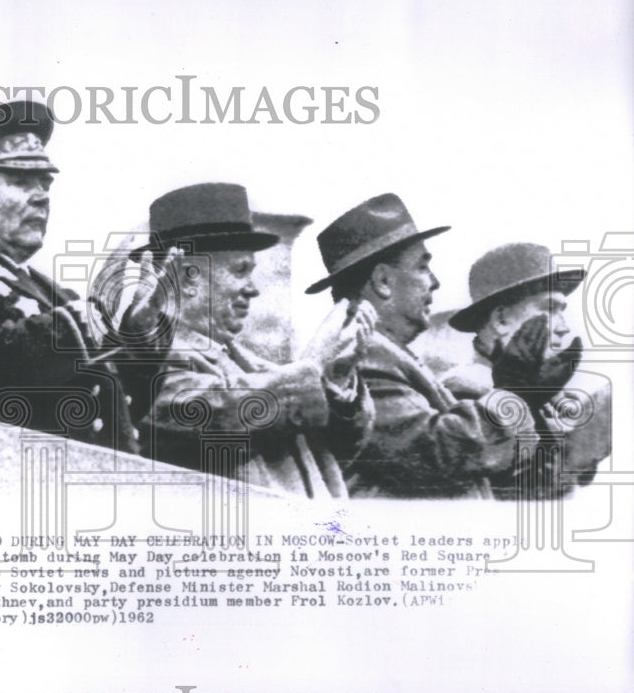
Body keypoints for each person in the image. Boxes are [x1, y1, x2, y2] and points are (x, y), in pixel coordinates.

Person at [0, 99, 176, 453]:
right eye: (20, 182)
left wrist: (137, 334)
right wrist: (102, 309)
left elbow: (123, 408)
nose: (41, 197)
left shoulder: (56, 295)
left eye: (44, 184)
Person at [138, 183, 375, 497]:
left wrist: (336, 379)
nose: (253, 289)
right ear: (187, 276)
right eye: (240, 270)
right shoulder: (147, 363)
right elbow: (211, 414)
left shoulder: (249, 363)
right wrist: (314, 365)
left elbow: (340, 450)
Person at [306, 193, 534, 498]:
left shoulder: (385, 352)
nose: (435, 281)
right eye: (423, 267)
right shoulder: (362, 355)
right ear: (383, 280)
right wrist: (516, 392)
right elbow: (438, 450)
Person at [444, 243, 609, 498]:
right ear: (500, 320)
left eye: (561, 311)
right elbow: (522, 493)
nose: (564, 328)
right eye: (549, 309)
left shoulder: (542, 393)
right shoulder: (464, 389)